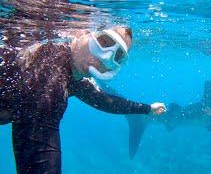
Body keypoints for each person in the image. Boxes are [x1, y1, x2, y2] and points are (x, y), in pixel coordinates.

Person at [0, 25, 167, 173]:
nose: (106, 57)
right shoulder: (49, 76)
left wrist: (147, 108)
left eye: (117, 55)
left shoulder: (72, 72)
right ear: (82, 33)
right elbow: (40, 157)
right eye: (105, 41)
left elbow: (104, 101)